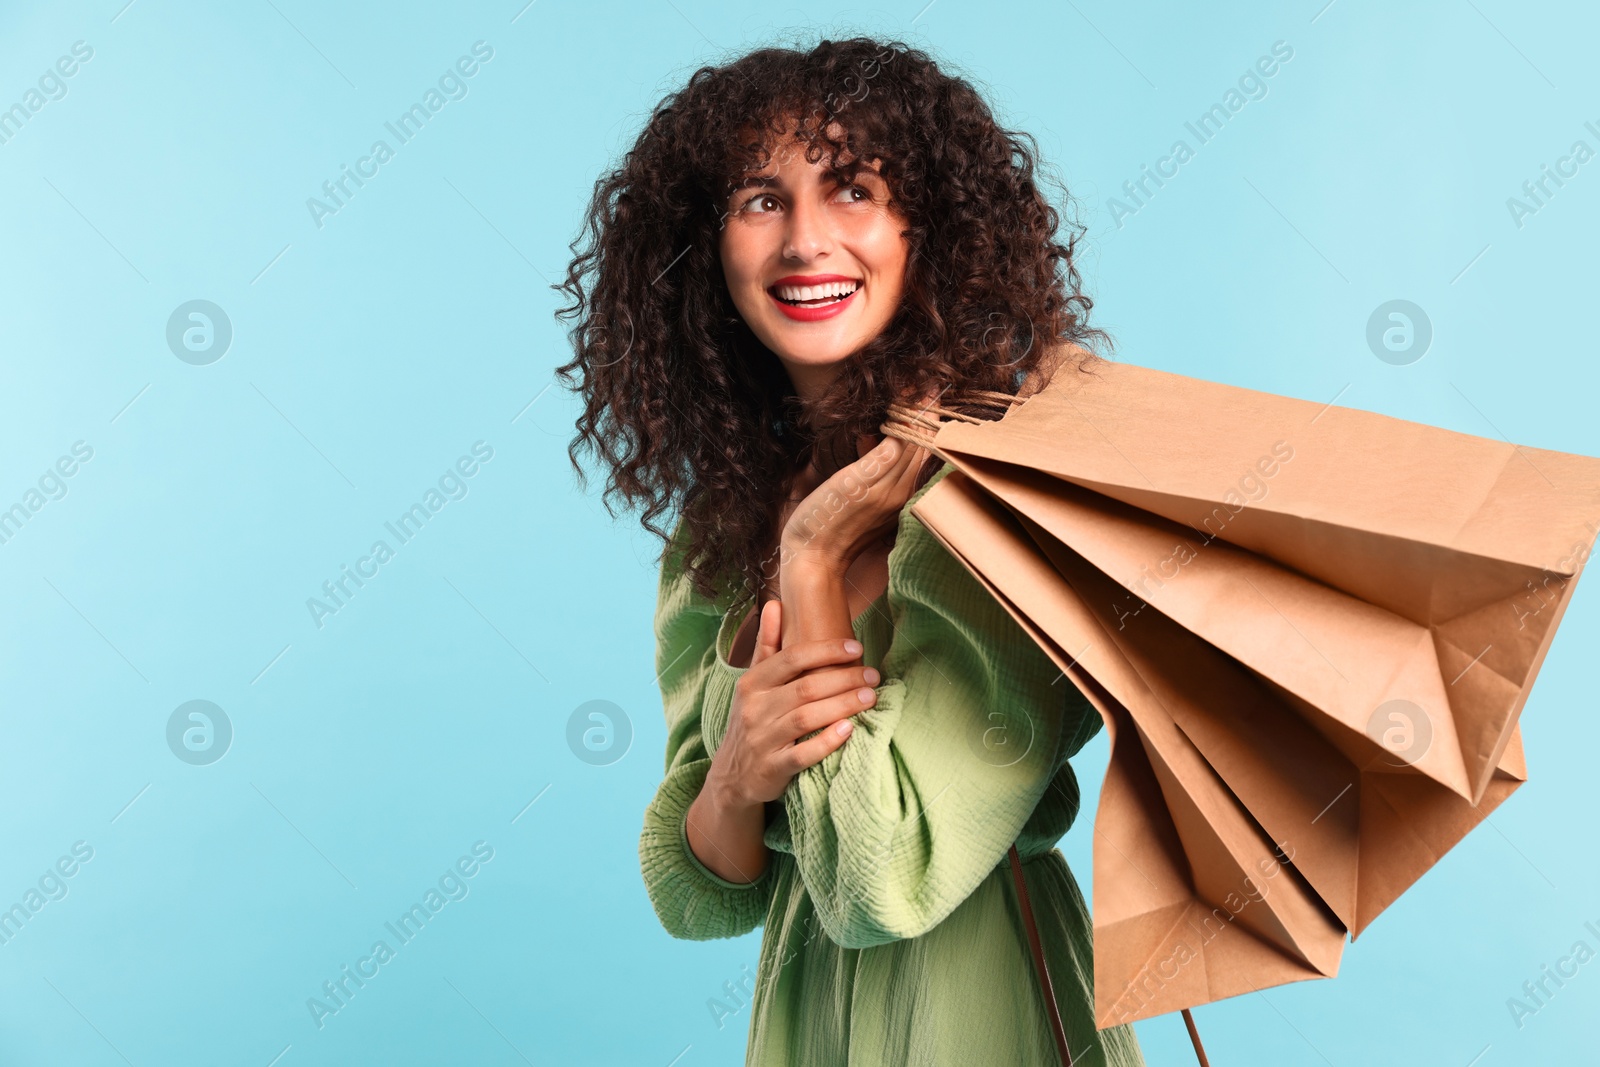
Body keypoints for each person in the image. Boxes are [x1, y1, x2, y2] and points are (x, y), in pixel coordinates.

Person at [555, 34, 1146, 1066]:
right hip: (801, 1024)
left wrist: (816, 556)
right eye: (758, 199)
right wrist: (735, 779)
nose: (804, 242)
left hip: (988, 1010)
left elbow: (881, 884)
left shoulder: (1004, 509)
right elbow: (690, 895)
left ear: (930, 231)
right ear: (707, 248)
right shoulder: (715, 534)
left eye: (853, 189)